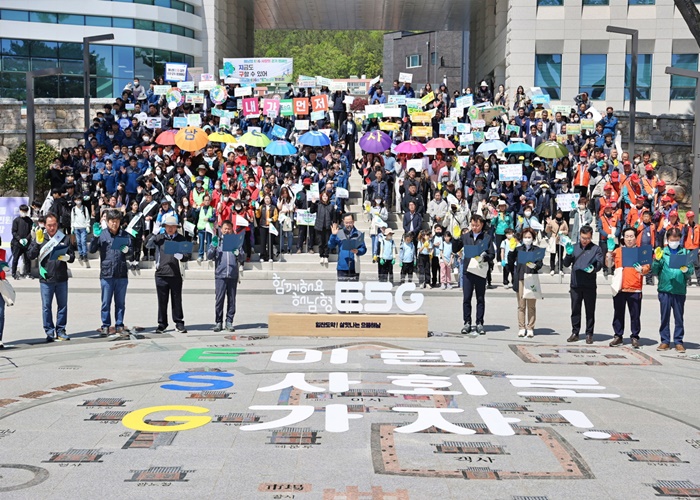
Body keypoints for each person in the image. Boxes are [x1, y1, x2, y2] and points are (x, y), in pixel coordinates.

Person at [27, 213, 75, 341]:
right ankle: (49, 331)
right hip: (46, 278)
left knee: (62, 305)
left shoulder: (63, 238)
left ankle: (61, 330)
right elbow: (31, 255)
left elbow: (72, 257)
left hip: (61, 277)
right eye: (49, 225)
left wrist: (68, 257)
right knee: (46, 307)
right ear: (45, 225)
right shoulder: (40, 237)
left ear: (57, 225)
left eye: (54, 225)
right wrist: (36, 243)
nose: (52, 228)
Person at [88, 210, 133, 339]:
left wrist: (127, 250)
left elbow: (131, 252)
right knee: (105, 302)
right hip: (107, 274)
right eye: (112, 221)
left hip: (121, 273)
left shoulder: (125, 235)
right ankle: (105, 325)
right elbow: (92, 250)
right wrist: (95, 237)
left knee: (120, 302)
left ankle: (119, 325)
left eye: (117, 221)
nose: (114, 223)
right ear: (107, 222)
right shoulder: (102, 234)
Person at [145, 215, 191, 333]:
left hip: (176, 274)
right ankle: (162, 323)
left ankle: (179, 322)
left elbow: (187, 255)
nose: (170, 229)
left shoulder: (181, 239)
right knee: (162, 300)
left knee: (177, 299)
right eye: (168, 226)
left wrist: (181, 256)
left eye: (173, 226)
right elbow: (147, 245)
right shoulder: (160, 238)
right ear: (164, 227)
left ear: (176, 227)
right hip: (161, 273)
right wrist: (153, 234)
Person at [606, 227, 650, 348]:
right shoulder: (618, 251)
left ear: (636, 238)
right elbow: (609, 264)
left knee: (635, 315)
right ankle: (618, 336)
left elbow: (647, 268)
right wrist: (609, 252)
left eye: (631, 236)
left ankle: (635, 337)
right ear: (623, 238)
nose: (629, 239)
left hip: (635, 288)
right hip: (620, 287)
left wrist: (642, 269)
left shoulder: (641, 251)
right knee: (618, 313)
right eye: (627, 236)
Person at [652, 227, 694, 352]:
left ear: (680, 239)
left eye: (676, 239)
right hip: (665, 289)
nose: (674, 241)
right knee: (664, 316)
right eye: (672, 239)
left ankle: (678, 341)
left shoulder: (685, 253)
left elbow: (690, 271)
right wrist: (657, 260)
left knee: (679, 317)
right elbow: (655, 271)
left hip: (679, 290)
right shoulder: (663, 252)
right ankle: (665, 341)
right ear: (668, 239)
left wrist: (687, 270)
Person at [562, 225, 604, 344]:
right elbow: (565, 264)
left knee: (590, 310)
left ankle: (589, 333)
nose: (585, 241)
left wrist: (594, 268)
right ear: (579, 235)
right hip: (576, 284)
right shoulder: (574, 247)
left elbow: (600, 263)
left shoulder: (596, 249)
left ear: (591, 237)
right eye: (583, 238)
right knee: (575, 309)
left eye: (588, 238)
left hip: (589, 284)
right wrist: (568, 254)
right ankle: (575, 332)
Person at [456, 214, 495, 335]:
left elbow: (492, 254)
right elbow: (455, 248)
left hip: (480, 271)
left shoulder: (487, 238)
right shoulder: (465, 236)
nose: (474, 227)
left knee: (480, 298)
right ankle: (467, 322)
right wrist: (456, 239)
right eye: (472, 225)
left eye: (477, 225)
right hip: (468, 271)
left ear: (482, 224)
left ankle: (479, 323)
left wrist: (485, 257)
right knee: (466, 298)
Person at [208, 220, 243, 332]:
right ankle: (218, 322)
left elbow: (242, 258)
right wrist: (213, 246)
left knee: (232, 300)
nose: (227, 231)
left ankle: (229, 321)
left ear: (232, 230)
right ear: (221, 229)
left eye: (229, 229)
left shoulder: (236, 242)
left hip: (232, 275)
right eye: (225, 229)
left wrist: (239, 252)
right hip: (220, 275)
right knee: (219, 299)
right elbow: (209, 256)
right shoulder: (217, 241)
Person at [508, 228, 543, 337]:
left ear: (532, 238)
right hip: (521, 278)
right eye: (525, 237)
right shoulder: (518, 249)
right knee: (521, 305)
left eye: (529, 237)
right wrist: (511, 251)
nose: (527, 239)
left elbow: (540, 264)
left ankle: (530, 327)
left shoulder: (536, 249)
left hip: (531, 278)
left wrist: (535, 266)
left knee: (531, 306)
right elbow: (510, 262)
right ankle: (521, 327)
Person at [328, 213, 367, 281]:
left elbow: (363, 248)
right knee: (341, 289)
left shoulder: (358, 234)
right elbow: (331, 245)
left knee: (353, 290)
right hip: (342, 267)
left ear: (353, 221)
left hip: (354, 267)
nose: (348, 224)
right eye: (346, 223)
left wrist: (358, 251)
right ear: (343, 221)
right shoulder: (339, 233)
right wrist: (333, 235)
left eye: (350, 222)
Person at [10, 204, 33, 279]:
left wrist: (27, 239)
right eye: (22, 211)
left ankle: (28, 273)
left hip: (27, 243)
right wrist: (19, 239)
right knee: (15, 258)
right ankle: (13, 273)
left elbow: (31, 231)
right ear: (20, 211)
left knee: (27, 259)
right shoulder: (16, 220)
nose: (24, 212)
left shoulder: (29, 221)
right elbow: (14, 232)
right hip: (17, 243)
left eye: (25, 211)